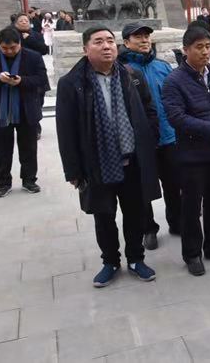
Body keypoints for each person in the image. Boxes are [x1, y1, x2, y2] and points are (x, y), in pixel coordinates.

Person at [55, 26, 160, 287]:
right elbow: (65, 130)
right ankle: (110, 261)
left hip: (132, 159)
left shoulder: (131, 75)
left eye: (110, 41)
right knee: (104, 215)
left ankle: (136, 258)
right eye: (98, 42)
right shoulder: (72, 84)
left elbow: (149, 109)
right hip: (97, 163)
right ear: (85, 49)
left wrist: (149, 140)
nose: (106, 46)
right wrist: (73, 170)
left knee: (135, 212)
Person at [162, 25, 210, 276]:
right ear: (186, 50)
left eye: (208, 46)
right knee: (192, 206)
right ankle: (192, 253)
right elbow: (177, 118)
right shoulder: (174, 81)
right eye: (199, 47)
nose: (205, 52)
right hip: (191, 155)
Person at [118, 22, 181, 248]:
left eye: (146, 36)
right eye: (138, 37)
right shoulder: (121, 70)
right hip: (139, 141)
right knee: (142, 187)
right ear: (126, 43)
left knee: (174, 183)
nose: (144, 40)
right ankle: (148, 229)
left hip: (168, 136)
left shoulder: (163, 67)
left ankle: (177, 221)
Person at [0, 27, 47, 197]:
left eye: (13, 48)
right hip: (0, 111)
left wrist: (22, 81)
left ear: (20, 43)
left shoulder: (33, 57)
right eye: (4, 48)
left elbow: (41, 80)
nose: (9, 51)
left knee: (29, 148)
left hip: (26, 110)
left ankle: (29, 180)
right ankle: (3, 183)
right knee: (2, 150)